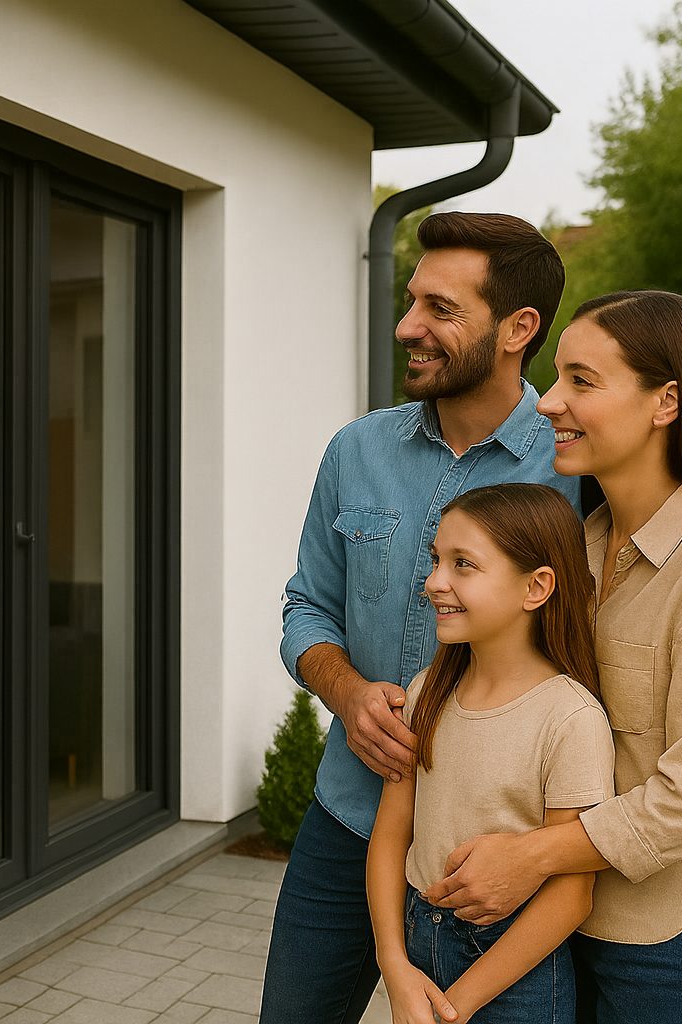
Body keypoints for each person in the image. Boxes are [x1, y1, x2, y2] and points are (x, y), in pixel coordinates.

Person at [425, 291, 682, 1023]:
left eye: (581, 382)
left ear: (666, 402)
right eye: (556, 377)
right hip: (566, 923)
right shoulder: (580, 550)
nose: (548, 402)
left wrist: (532, 856)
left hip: (677, 942)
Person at [263, 212, 578, 1023]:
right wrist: (346, 692)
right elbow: (306, 608)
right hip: (347, 823)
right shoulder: (356, 451)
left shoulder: (578, 469)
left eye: (440, 308)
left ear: (519, 329)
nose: (408, 327)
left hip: (494, 857)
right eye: (412, 302)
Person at [367, 483, 613, 1024]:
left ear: (536, 587)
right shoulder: (426, 692)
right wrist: (395, 967)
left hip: (514, 977)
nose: (434, 582)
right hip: (417, 951)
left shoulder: (570, 719)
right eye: (436, 560)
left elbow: (572, 897)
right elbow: (390, 835)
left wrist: (453, 1008)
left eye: (463, 564)